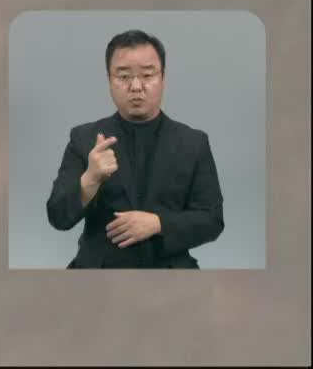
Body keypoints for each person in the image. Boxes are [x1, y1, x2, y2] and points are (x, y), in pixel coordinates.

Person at [45, 29, 225, 268]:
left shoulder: (194, 142)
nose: (136, 86)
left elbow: (212, 221)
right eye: (124, 76)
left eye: (148, 74)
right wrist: (90, 178)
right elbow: (58, 217)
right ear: (109, 81)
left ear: (163, 79)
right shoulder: (84, 138)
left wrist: (158, 224)